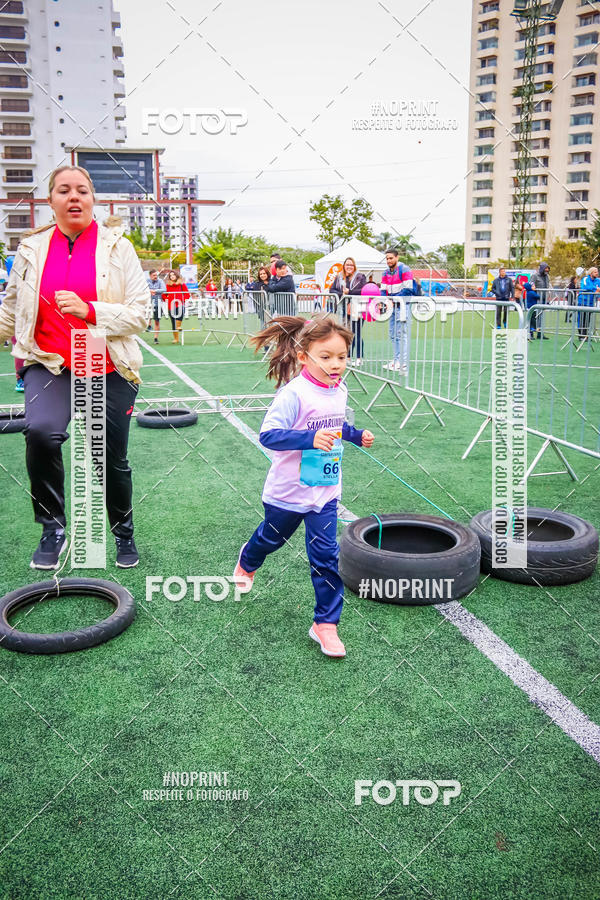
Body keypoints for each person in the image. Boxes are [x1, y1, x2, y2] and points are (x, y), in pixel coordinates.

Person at [0, 165, 149, 569]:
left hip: (104, 361)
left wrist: (90, 310)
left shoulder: (118, 247)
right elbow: (12, 309)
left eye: (82, 190)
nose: (74, 197)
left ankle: (123, 532)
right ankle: (53, 528)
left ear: (92, 199)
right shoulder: (31, 250)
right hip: (48, 363)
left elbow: (140, 314)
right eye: (63, 190)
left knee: (108, 457)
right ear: (51, 200)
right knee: (42, 433)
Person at [233, 313, 375, 658]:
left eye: (342, 356)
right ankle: (248, 561)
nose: (336, 364)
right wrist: (311, 438)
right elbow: (269, 436)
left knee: (326, 557)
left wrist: (356, 436)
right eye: (326, 357)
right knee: (272, 538)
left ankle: (325, 624)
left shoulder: (339, 389)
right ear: (303, 357)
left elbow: (336, 425)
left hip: (325, 492)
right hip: (287, 492)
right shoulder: (292, 393)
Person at [381, 248, 414, 374]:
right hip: (392, 307)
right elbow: (383, 290)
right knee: (393, 334)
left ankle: (403, 363)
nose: (389, 260)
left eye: (391, 258)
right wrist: (385, 300)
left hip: (403, 306)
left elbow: (408, 289)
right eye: (387, 258)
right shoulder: (385, 272)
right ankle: (396, 361)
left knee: (402, 335)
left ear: (397, 257)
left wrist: (393, 300)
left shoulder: (404, 269)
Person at [328, 257, 366, 364]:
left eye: (351, 265)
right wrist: (342, 294)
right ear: (344, 266)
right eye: (347, 265)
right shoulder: (339, 277)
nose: (349, 267)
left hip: (357, 308)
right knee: (346, 334)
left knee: (356, 332)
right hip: (343, 309)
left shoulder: (360, 277)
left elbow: (363, 290)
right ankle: (347, 357)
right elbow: (331, 290)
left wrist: (350, 292)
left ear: (354, 266)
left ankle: (359, 358)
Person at [162, 270, 189, 343]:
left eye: (173, 275)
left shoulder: (182, 284)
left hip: (180, 304)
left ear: (176, 275)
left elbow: (187, 294)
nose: (172, 276)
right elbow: (164, 295)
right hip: (171, 305)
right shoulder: (168, 285)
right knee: (173, 322)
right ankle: (176, 339)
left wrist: (184, 300)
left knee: (180, 314)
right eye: (170, 275)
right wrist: (167, 299)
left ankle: (178, 326)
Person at [577, 266, 600, 341]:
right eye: (595, 272)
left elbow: (598, 291)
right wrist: (595, 289)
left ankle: (585, 335)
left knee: (587, 320)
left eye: (597, 272)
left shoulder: (598, 280)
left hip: (591, 302)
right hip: (583, 302)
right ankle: (581, 335)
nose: (597, 273)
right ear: (591, 273)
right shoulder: (585, 279)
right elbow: (586, 287)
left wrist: (596, 291)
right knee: (581, 319)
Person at [531, 261, 551, 339]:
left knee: (541, 317)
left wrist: (547, 297)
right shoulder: (535, 276)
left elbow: (547, 287)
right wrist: (534, 288)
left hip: (543, 299)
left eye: (548, 269)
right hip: (535, 299)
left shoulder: (547, 276)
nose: (547, 270)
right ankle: (531, 333)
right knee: (533, 317)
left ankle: (540, 334)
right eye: (546, 268)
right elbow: (531, 284)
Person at [147, 268, 166, 344]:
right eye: (154, 275)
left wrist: (154, 291)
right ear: (150, 275)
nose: (155, 276)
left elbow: (164, 289)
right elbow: (142, 289)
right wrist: (149, 291)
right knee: (146, 314)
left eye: (156, 275)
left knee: (157, 321)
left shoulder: (160, 281)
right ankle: (149, 325)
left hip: (158, 303)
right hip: (148, 302)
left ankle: (156, 338)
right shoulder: (146, 281)